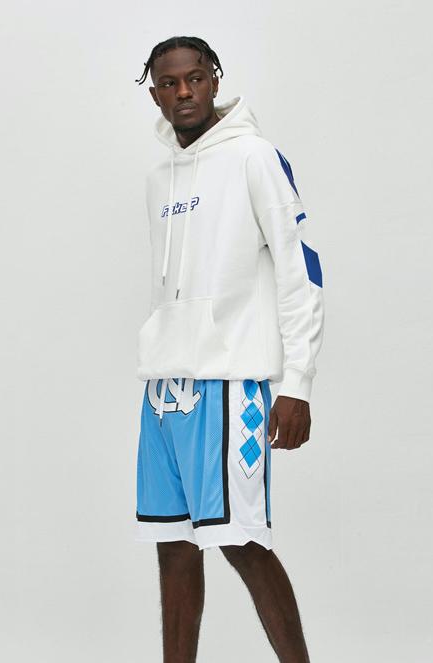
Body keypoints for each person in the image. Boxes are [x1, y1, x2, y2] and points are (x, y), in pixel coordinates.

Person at [133, 35, 325, 663]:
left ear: (215, 79)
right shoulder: (159, 175)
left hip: (230, 383)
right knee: (173, 546)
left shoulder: (253, 157)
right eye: (168, 83)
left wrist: (297, 383)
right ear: (154, 93)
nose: (183, 92)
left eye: (194, 78)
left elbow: (301, 271)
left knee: (243, 542)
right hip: (164, 388)